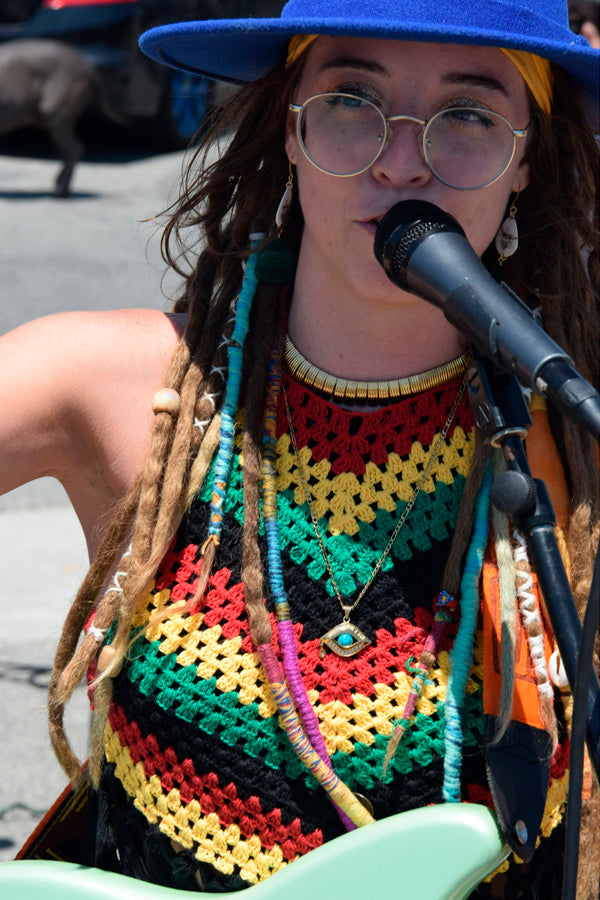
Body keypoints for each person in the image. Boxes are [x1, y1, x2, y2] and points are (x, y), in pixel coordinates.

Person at [0, 0, 598, 897]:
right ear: (289, 129)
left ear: (525, 162)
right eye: (352, 99)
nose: (401, 161)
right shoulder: (123, 387)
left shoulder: (578, 448)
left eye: (468, 115)